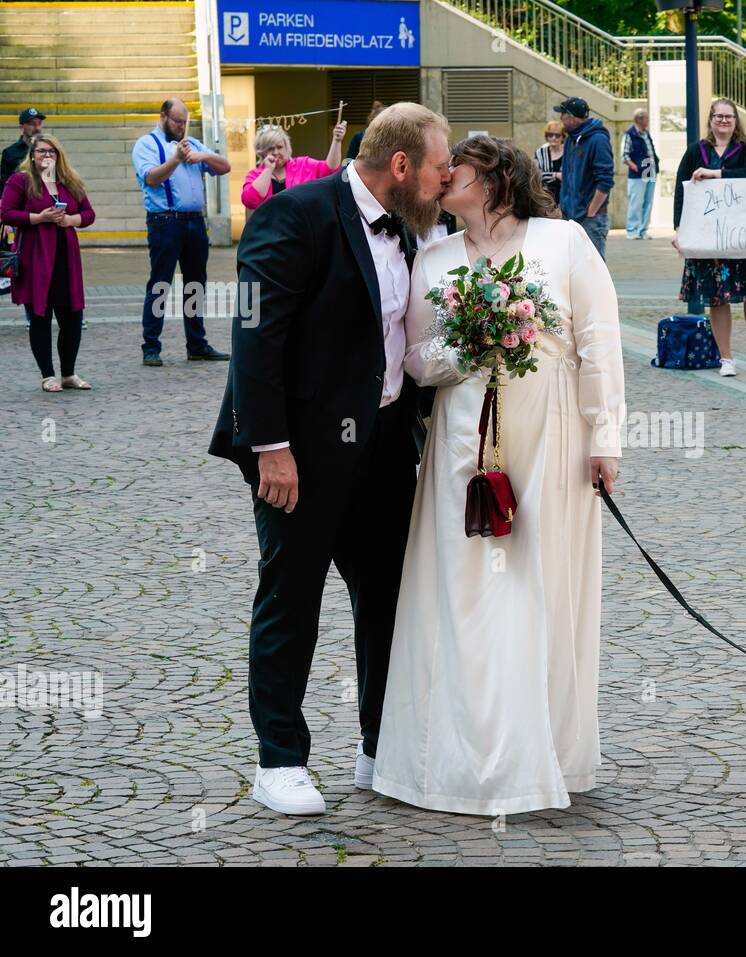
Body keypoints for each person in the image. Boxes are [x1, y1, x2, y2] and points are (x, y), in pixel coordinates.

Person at [208, 103, 454, 816]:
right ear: (402, 166)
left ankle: (380, 745)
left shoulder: (413, 230)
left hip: (380, 447)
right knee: (293, 600)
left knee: (386, 600)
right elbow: (255, 337)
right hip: (301, 454)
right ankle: (278, 758)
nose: (445, 182)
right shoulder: (294, 215)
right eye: (439, 169)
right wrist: (271, 449)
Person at [374, 135, 625, 815]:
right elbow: (419, 360)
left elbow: (599, 340)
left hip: (553, 437)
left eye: (458, 168)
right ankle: (462, 756)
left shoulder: (565, 241)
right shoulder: (434, 257)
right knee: (465, 593)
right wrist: (474, 340)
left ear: (494, 178)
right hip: (465, 443)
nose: (444, 175)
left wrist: (606, 437)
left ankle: (542, 749)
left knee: (538, 586)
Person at [673, 97, 746, 377]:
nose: (723, 121)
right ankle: (726, 358)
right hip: (709, 235)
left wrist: (716, 173)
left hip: (744, 232)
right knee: (717, 297)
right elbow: (681, 191)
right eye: (718, 116)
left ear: (735, 121)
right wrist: (678, 229)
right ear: (710, 120)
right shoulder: (697, 150)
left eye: (728, 117)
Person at [132, 97, 231, 366]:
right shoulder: (146, 145)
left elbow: (224, 168)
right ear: (163, 116)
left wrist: (204, 156)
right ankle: (151, 346)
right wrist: (176, 159)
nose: (181, 127)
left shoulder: (193, 144)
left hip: (195, 223)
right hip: (165, 222)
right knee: (161, 283)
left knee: (195, 284)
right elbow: (151, 178)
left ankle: (197, 344)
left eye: (185, 122)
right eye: (177, 121)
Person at [1, 133, 95, 391]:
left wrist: (70, 221)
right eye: (41, 151)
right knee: (40, 317)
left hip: (66, 258)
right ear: (32, 155)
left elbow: (88, 213)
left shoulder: (69, 181)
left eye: (51, 151)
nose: (46, 155)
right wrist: (38, 217)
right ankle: (48, 375)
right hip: (36, 258)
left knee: (73, 318)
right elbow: (6, 212)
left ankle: (68, 374)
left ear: (59, 155)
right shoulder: (20, 181)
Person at [240, 120, 347, 211]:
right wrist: (268, 170)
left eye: (280, 147)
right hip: (270, 229)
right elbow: (250, 201)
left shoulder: (304, 164)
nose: (276, 152)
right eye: (270, 149)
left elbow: (330, 169)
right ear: (262, 152)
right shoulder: (255, 174)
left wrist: (337, 141)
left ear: (287, 147)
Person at [555, 96, 613, 259]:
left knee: (594, 268)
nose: (560, 118)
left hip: (590, 219)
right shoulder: (571, 139)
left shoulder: (598, 140)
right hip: (569, 215)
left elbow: (605, 180)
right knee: (571, 267)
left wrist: (592, 211)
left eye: (563, 114)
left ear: (571, 117)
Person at [1, 108, 45, 294]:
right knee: (24, 267)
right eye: (32, 124)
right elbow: (2, 185)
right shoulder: (10, 153)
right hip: (20, 216)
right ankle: (31, 317)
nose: (37, 127)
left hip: (44, 213)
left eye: (39, 123)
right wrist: (4, 219)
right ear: (22, 128)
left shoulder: (48, 150)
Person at [622, 107, 659, 238]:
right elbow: (624, 156)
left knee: (648, 202)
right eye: (646, 118)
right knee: (636, 202)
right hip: (638, 174)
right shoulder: (630, 134)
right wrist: (635, 167)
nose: (648, 121)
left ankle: (642, 230)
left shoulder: (646, 133)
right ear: (639, 119)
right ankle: (632, 231)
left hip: (650, 171)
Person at [533, 120, 565, 207]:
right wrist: (555, 175)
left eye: (557, 135)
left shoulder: (569, 152)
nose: (553, 138)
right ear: (546, 137)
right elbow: (536, 175)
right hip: (546, 198)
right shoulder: (540, 153)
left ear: (563, 137)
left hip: (566, 198)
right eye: (550, 135)